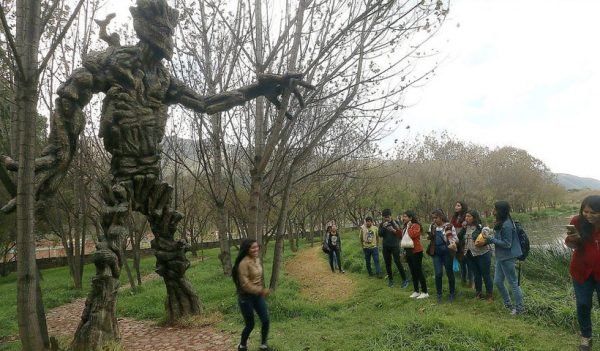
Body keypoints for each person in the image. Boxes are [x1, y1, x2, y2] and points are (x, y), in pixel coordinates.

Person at [564, 195, 600, 351]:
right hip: (581, 270)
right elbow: (572, 245)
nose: (588, 215)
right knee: (583, 304)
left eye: (593, 212)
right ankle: (586, 337)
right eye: (586, 211)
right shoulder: (577, 221)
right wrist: (573, 240)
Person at [482, 200, 524, 315]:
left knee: (513, 283)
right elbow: (500, 237)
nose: (493, 211)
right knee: (498, 281)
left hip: (508, 257)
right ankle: (508, 304)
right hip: (501, 257)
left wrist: (491, 239)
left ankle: (519, 308)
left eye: (494, 209)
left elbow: (507, 244)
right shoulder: (501, 222)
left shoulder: (507, 224)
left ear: (500, 210)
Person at [232, 239, 271, 351]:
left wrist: (260, 290)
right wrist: (261, 290)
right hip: (246, 297)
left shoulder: (257, 259)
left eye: (256, 247)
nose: (256, 249)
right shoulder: (243, 263)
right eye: (252, 248)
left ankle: (263, 345)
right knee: (250, 325)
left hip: (258, 296)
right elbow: (245, 285)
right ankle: (242, 346)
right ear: (247, 249)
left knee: (265, 320)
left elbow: (257, 277)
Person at [460, 209, 493, 301]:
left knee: (486, 275)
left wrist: (484, 233)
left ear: (474, 218)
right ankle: (478, 294)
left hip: (482, 254)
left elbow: (488, 239)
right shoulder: (465, 228)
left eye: (469, 216)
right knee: (476, 275)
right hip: (470, 254)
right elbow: (459, 237)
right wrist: (463, 228)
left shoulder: (481, 227)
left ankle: (489, 295)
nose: (466, 218)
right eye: (466, 216)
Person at [427, 208, 457, 303]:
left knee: (449, 273)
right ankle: (439, 294)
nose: (434, 220)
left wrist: (452, 241)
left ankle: (452, 293)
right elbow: (430, 238)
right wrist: (430, 236)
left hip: (447, 253)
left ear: (441, 217)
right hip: (436, 253)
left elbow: (455, 239)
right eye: (433, 218)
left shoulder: (449, 226)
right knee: (438, 273)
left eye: (436, 218)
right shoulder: (432, 226)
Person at [401, 210, 428, 299]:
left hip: (416, 251)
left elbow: (412, 235)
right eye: (403, 216)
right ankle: (416, 291)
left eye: (405, 216)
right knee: (413, 271)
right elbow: (404, 239)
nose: (403, 218)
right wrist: (404, 251)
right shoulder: (405, 227)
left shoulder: (416, 226)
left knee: (418, 271)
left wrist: (409, 227)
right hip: (408, 251)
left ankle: (424, 292)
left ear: (410, 218)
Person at [379, 209, 409, 288]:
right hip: (386, 246)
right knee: (387, 264)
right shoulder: (382, 224)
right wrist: (384, 227)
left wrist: (391, 223)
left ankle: (404, 279)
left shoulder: (395, 222)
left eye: (387, 217)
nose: (386, 218)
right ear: (383, 217)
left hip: (395, 246)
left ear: (390, 216)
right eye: (385, 217)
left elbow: (399, 232)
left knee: (398, 262)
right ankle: (391, 280)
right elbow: (380, 234)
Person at [452, 201, 473, 287]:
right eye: (456, 205)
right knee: (461, 260)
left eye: (458, 205)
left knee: (468, 261)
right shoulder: (455, 217)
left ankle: (471, 281)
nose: (456, 207)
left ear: (462, 207)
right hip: (457, 240)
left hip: (465, 240)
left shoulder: (466, 217)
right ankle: (463, 280)